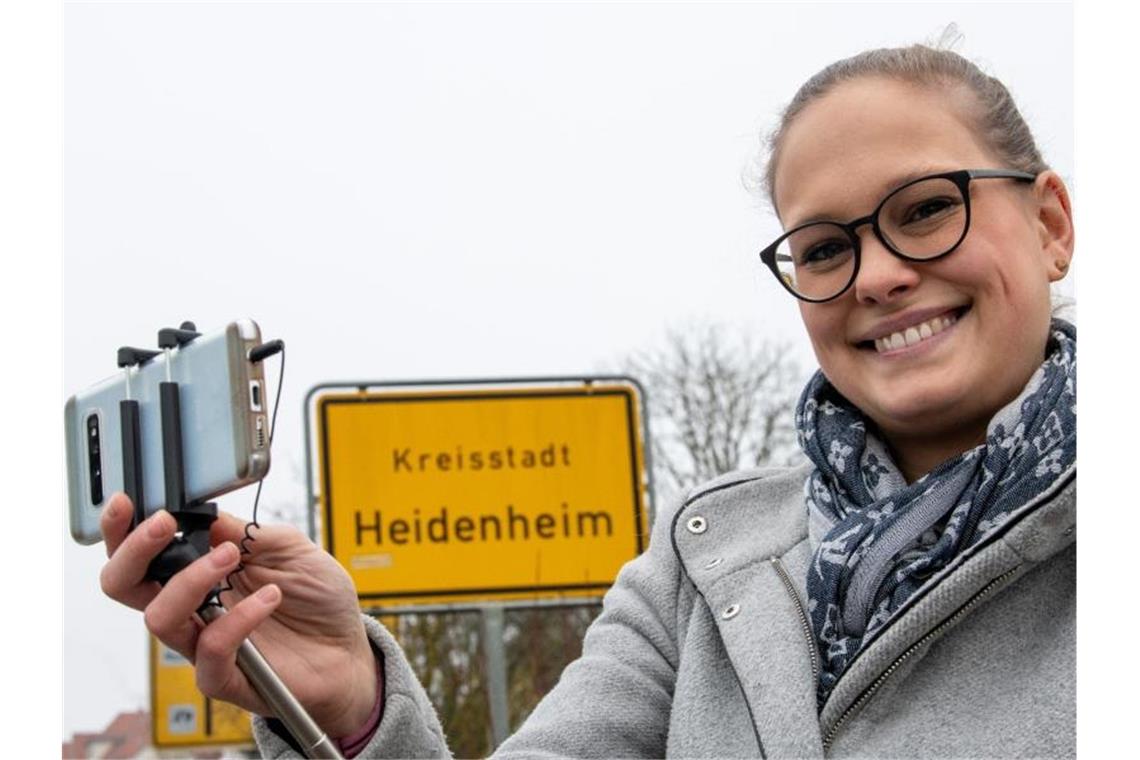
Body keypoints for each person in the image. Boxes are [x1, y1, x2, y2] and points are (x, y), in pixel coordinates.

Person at [99, 41, 1075, 758]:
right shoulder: (705, 564)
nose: (878, 275)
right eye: (824, 247)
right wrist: (349, 706)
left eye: (926, 210)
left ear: (1050, 225)